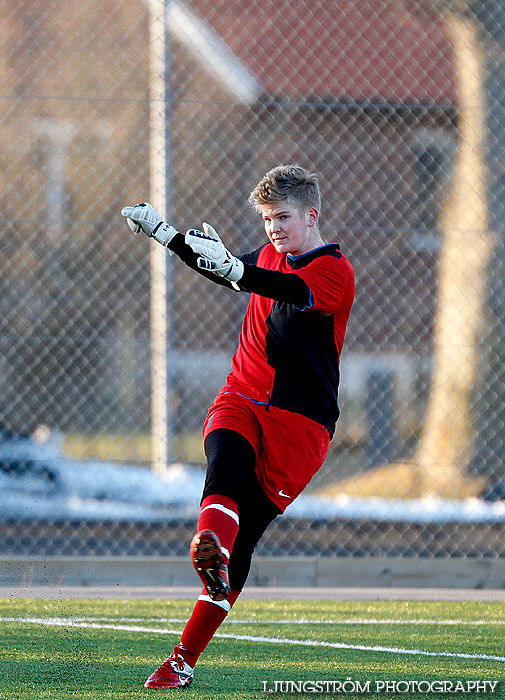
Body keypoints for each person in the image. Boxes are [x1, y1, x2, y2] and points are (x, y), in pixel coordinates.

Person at [120, 164, 355, 689]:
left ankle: (183, 659)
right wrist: (166, 235)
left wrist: (235, 269)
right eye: (269, 219)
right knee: (223, 461)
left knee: (243, 543)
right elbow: (224, 267)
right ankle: (209, 544)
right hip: (242, 395)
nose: (274, 228)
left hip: (300, 425)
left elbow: (285, 289)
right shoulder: (270, 255)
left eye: (285, 217)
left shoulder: (333, 271)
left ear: (311, 215)